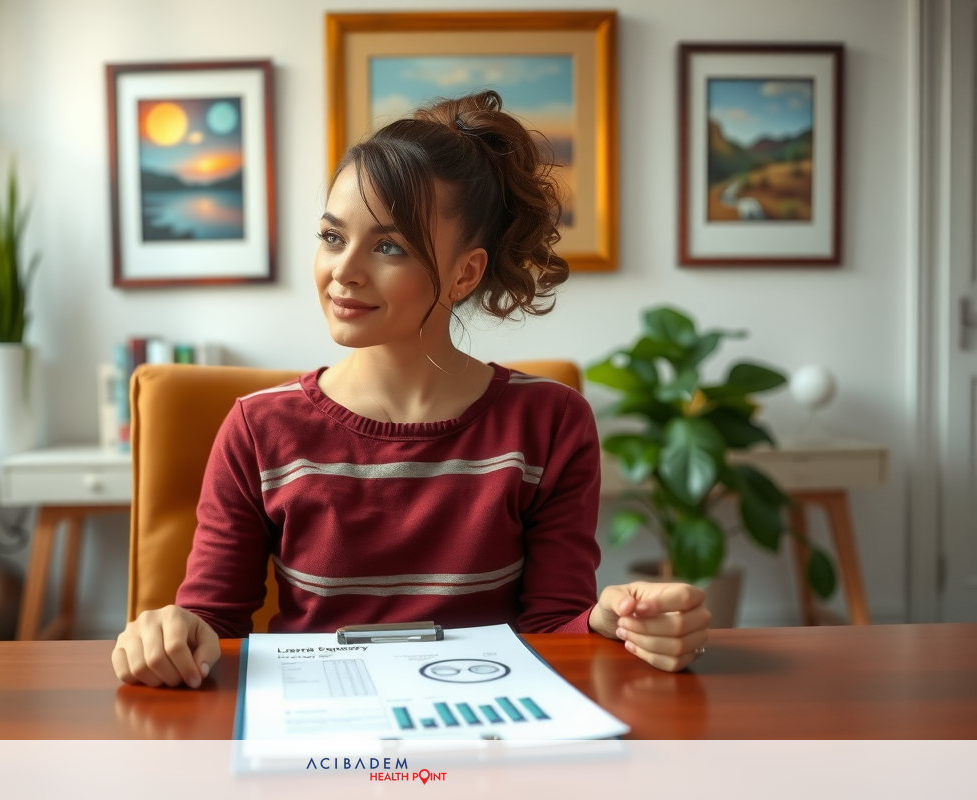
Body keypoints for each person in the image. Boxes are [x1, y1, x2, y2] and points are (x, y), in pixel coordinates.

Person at [112, 91, 710, 689]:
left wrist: (609, 623)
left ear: (465, 272)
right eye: (331, 236)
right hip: (320, 734)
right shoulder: (256, 430)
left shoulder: (550, 423)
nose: (344, 269)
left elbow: (553, 630)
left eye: (389, 246)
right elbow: (214, 627)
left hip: (486, 727)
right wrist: (170, 633)